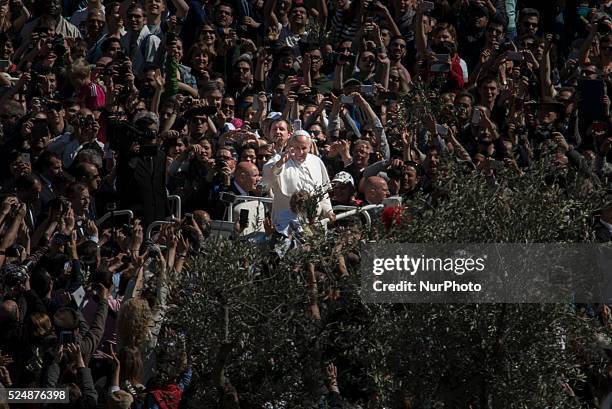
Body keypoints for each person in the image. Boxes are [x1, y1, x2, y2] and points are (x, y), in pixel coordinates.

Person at [263, 131, 335, 231]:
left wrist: (328, 211)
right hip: (287, 222)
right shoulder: (279, 159)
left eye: (304, 148)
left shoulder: (316, 161)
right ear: (289, 145)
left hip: (314, 221)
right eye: (297, 148)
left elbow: (323, 192)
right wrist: (280, 163)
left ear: (310, 147)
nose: (300, 152)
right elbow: (267, 178)